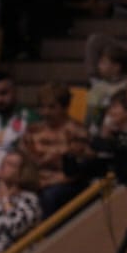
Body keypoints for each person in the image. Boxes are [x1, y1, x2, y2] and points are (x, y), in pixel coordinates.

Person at [21, 81, 88, 215]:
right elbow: (23, 162)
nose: (46, 112)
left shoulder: (76, 132)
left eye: (52, 107)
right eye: (42, 107)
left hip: (63, 184)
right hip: (34, 181)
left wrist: (46, 183)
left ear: (65, 107)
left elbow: (76, 172)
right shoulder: (33, 130)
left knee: (49, 196)